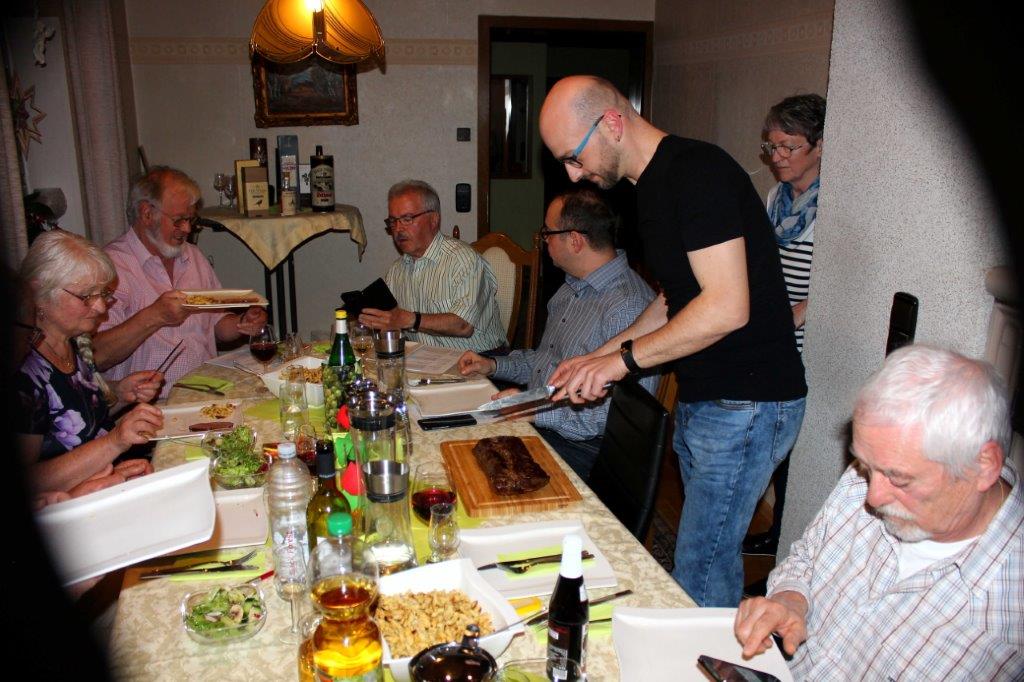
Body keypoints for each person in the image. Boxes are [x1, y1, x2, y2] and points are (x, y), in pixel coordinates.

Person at [538, 75, 807, 607]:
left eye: (574, 156)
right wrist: (596, 355)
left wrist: (621, 363)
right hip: (710, 395)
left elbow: (727, 306)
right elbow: (674, 299)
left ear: (611, 122)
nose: (573, 174)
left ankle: (712, 651)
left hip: (749, 399)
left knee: (702, 569)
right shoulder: (651, 187)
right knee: (701, 558)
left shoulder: (697, 173)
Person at [735, 345, 1023, 680]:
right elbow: (808, 557)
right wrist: (791, 599)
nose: (872, 497)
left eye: (899, 479)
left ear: (983, 466)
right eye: (866, 466)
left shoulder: (1009, 624)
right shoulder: (872, 471)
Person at [457, 189, 656, 480]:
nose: (543, 240)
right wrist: (493, 365)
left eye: (547, 233)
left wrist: (534, 408)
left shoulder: (627, 307)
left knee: (471, 468)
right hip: (546, 423)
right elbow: (545, 363)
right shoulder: (571, 288)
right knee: (456, 436)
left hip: (588, 450)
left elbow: (613, 419)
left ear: (574, 240)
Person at [93, 166, 267, 396]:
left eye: (190, 219)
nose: (186, 229)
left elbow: (216, 324)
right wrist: (155, 316)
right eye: (178, 220)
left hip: (207, 392)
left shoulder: (193, 256)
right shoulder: (112, 267)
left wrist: (241, 323)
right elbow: (98, 355)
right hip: (148, 403)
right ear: (146, 214)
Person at [15, 230, 164, 496]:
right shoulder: (22, 370)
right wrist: (115, 442)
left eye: (103, 294)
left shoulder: (72, 341)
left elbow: (79, 418)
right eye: (86, 296)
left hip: (105, 482)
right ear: (39, 293)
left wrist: (119, 393)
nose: (101, 308)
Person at [359, 179, 507, 353]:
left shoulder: (463, 260)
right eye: (393, 221)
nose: (398, 229)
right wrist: (380, 322)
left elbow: (464, 326)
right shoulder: (396, 270)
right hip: (426, 360)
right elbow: (396, 325)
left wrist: (411, 320)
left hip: (480, 358)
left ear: (434, 219)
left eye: (407, 219)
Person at [763, 93, 826, 354]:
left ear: (820, 146)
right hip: (771, 335)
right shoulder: (775, 196)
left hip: (809, 345)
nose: (776, 157)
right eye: (772, 147)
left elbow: (844, 284)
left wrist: (800, 312)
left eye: (787, 147)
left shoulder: (832, 207)